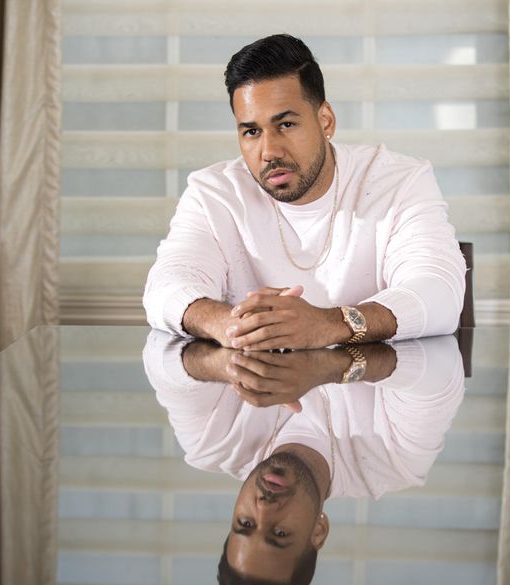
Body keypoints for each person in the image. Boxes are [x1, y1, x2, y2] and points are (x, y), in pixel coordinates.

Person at [143, 34, 466, 352]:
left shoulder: (399, 182)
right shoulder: (214, 193)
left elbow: (438, 294)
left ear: (325, 120)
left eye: (286, 125)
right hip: (250, 380)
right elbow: (167, 286)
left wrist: (329, 324)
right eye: (252, 131)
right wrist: (230, 324)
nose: (269, 151)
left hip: (372, 381)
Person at [142, 330, 465, 585]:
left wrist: (234, 348)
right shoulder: (395, 461)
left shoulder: (210, 443)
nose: (264, 509)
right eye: (280, 534)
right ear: (318, 532)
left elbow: (161, 358)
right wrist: (326, 360)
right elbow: (441, 369)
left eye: (245, 524)